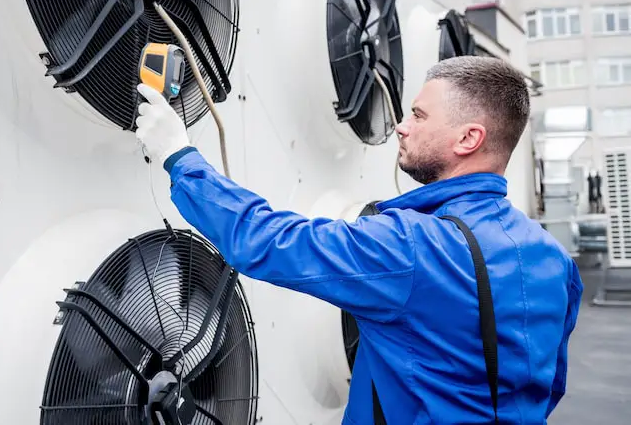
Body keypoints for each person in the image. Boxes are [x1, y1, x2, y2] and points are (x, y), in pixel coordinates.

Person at [134, 56, 583, 424]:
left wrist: (179, 155)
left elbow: (269, 239)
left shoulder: (412, 246)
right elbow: (547, 386)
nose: (402, 127)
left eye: (419, 115)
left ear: (469, 138)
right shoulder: (555, 260)